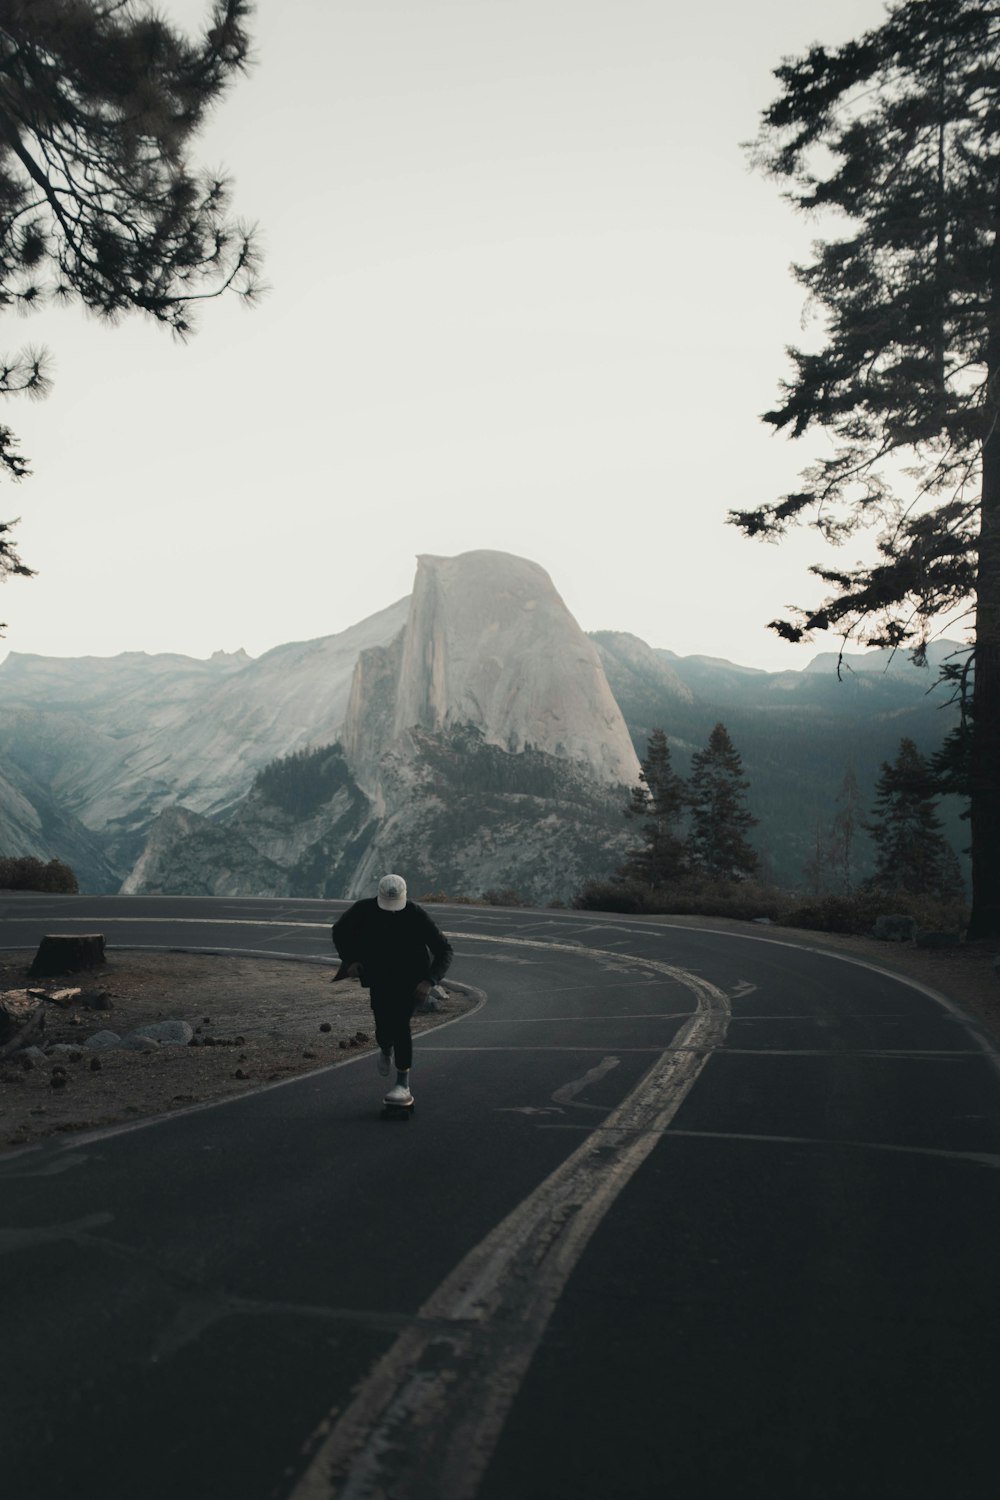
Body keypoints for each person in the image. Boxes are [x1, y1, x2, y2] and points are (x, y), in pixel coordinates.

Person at [331, 873, 453, 1106]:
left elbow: (444, 950)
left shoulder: (416, 915)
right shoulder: (363, 909)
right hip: (379, 977)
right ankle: (385, 1048)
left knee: (401, 1025)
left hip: (412, 980)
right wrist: (350, 960)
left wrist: (429, 981)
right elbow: (339, 931)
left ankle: (402, 1083)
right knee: (383, 1026)